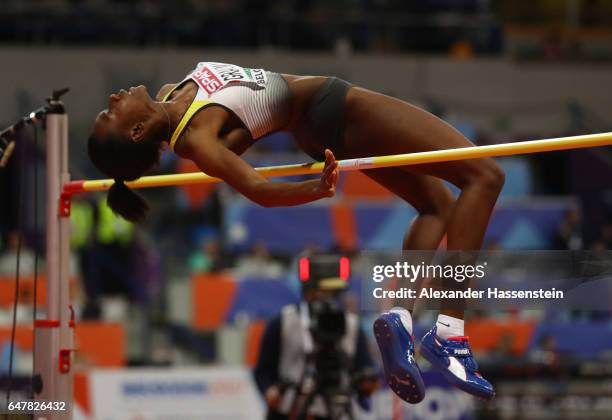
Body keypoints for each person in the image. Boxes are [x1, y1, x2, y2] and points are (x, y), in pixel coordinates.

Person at [88, 61, 504, 403]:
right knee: (484, 175)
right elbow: (257, 188)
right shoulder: (197, 140)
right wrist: (316, 189)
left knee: (436, 207)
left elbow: (242, 124)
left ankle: (400, 317)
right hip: (334, 107)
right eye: (110, 114)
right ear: (136, 132)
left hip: (319, 122)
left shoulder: (171, 93)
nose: (112, 99)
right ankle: (450, 332)